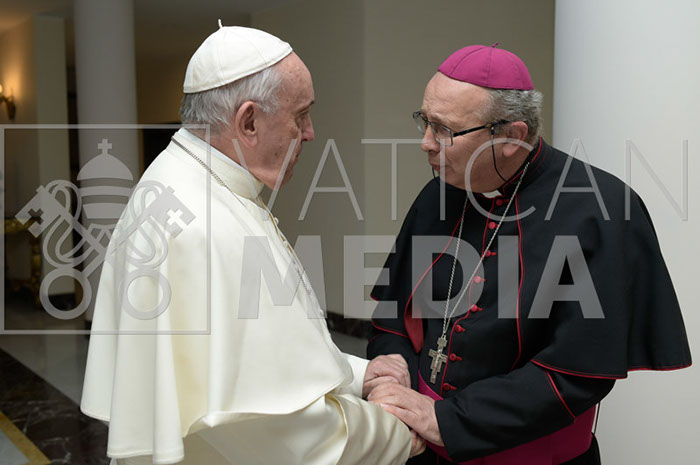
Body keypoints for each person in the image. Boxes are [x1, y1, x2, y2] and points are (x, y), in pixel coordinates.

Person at [81, 24, 424, 465]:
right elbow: (278, 429)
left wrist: (359, 374)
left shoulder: (186, 181)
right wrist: (393, 433)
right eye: (300, 115)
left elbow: (271, 365)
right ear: (248, 122)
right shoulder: (204, 225)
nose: (310, 132)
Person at [366, 44, 692, 465]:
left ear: (512, 136)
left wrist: (448, 420)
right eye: (425, 121)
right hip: (422, 452)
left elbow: (576, 372)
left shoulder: (602, 210)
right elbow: (395, 314)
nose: (426, 143)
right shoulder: (440, 192)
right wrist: (390, 366)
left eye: (445, 130)